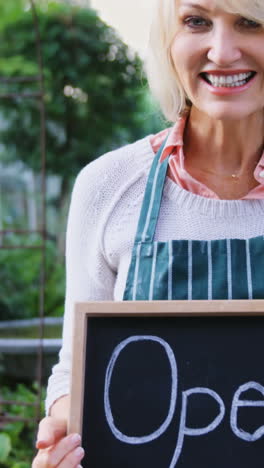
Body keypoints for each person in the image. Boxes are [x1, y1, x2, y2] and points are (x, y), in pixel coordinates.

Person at [32, 0, 264, 465]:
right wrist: (64, 434)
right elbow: (77, 367)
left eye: (251, 23)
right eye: (197, 21)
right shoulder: (108, 186)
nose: (221, 52)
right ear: (168, 40)